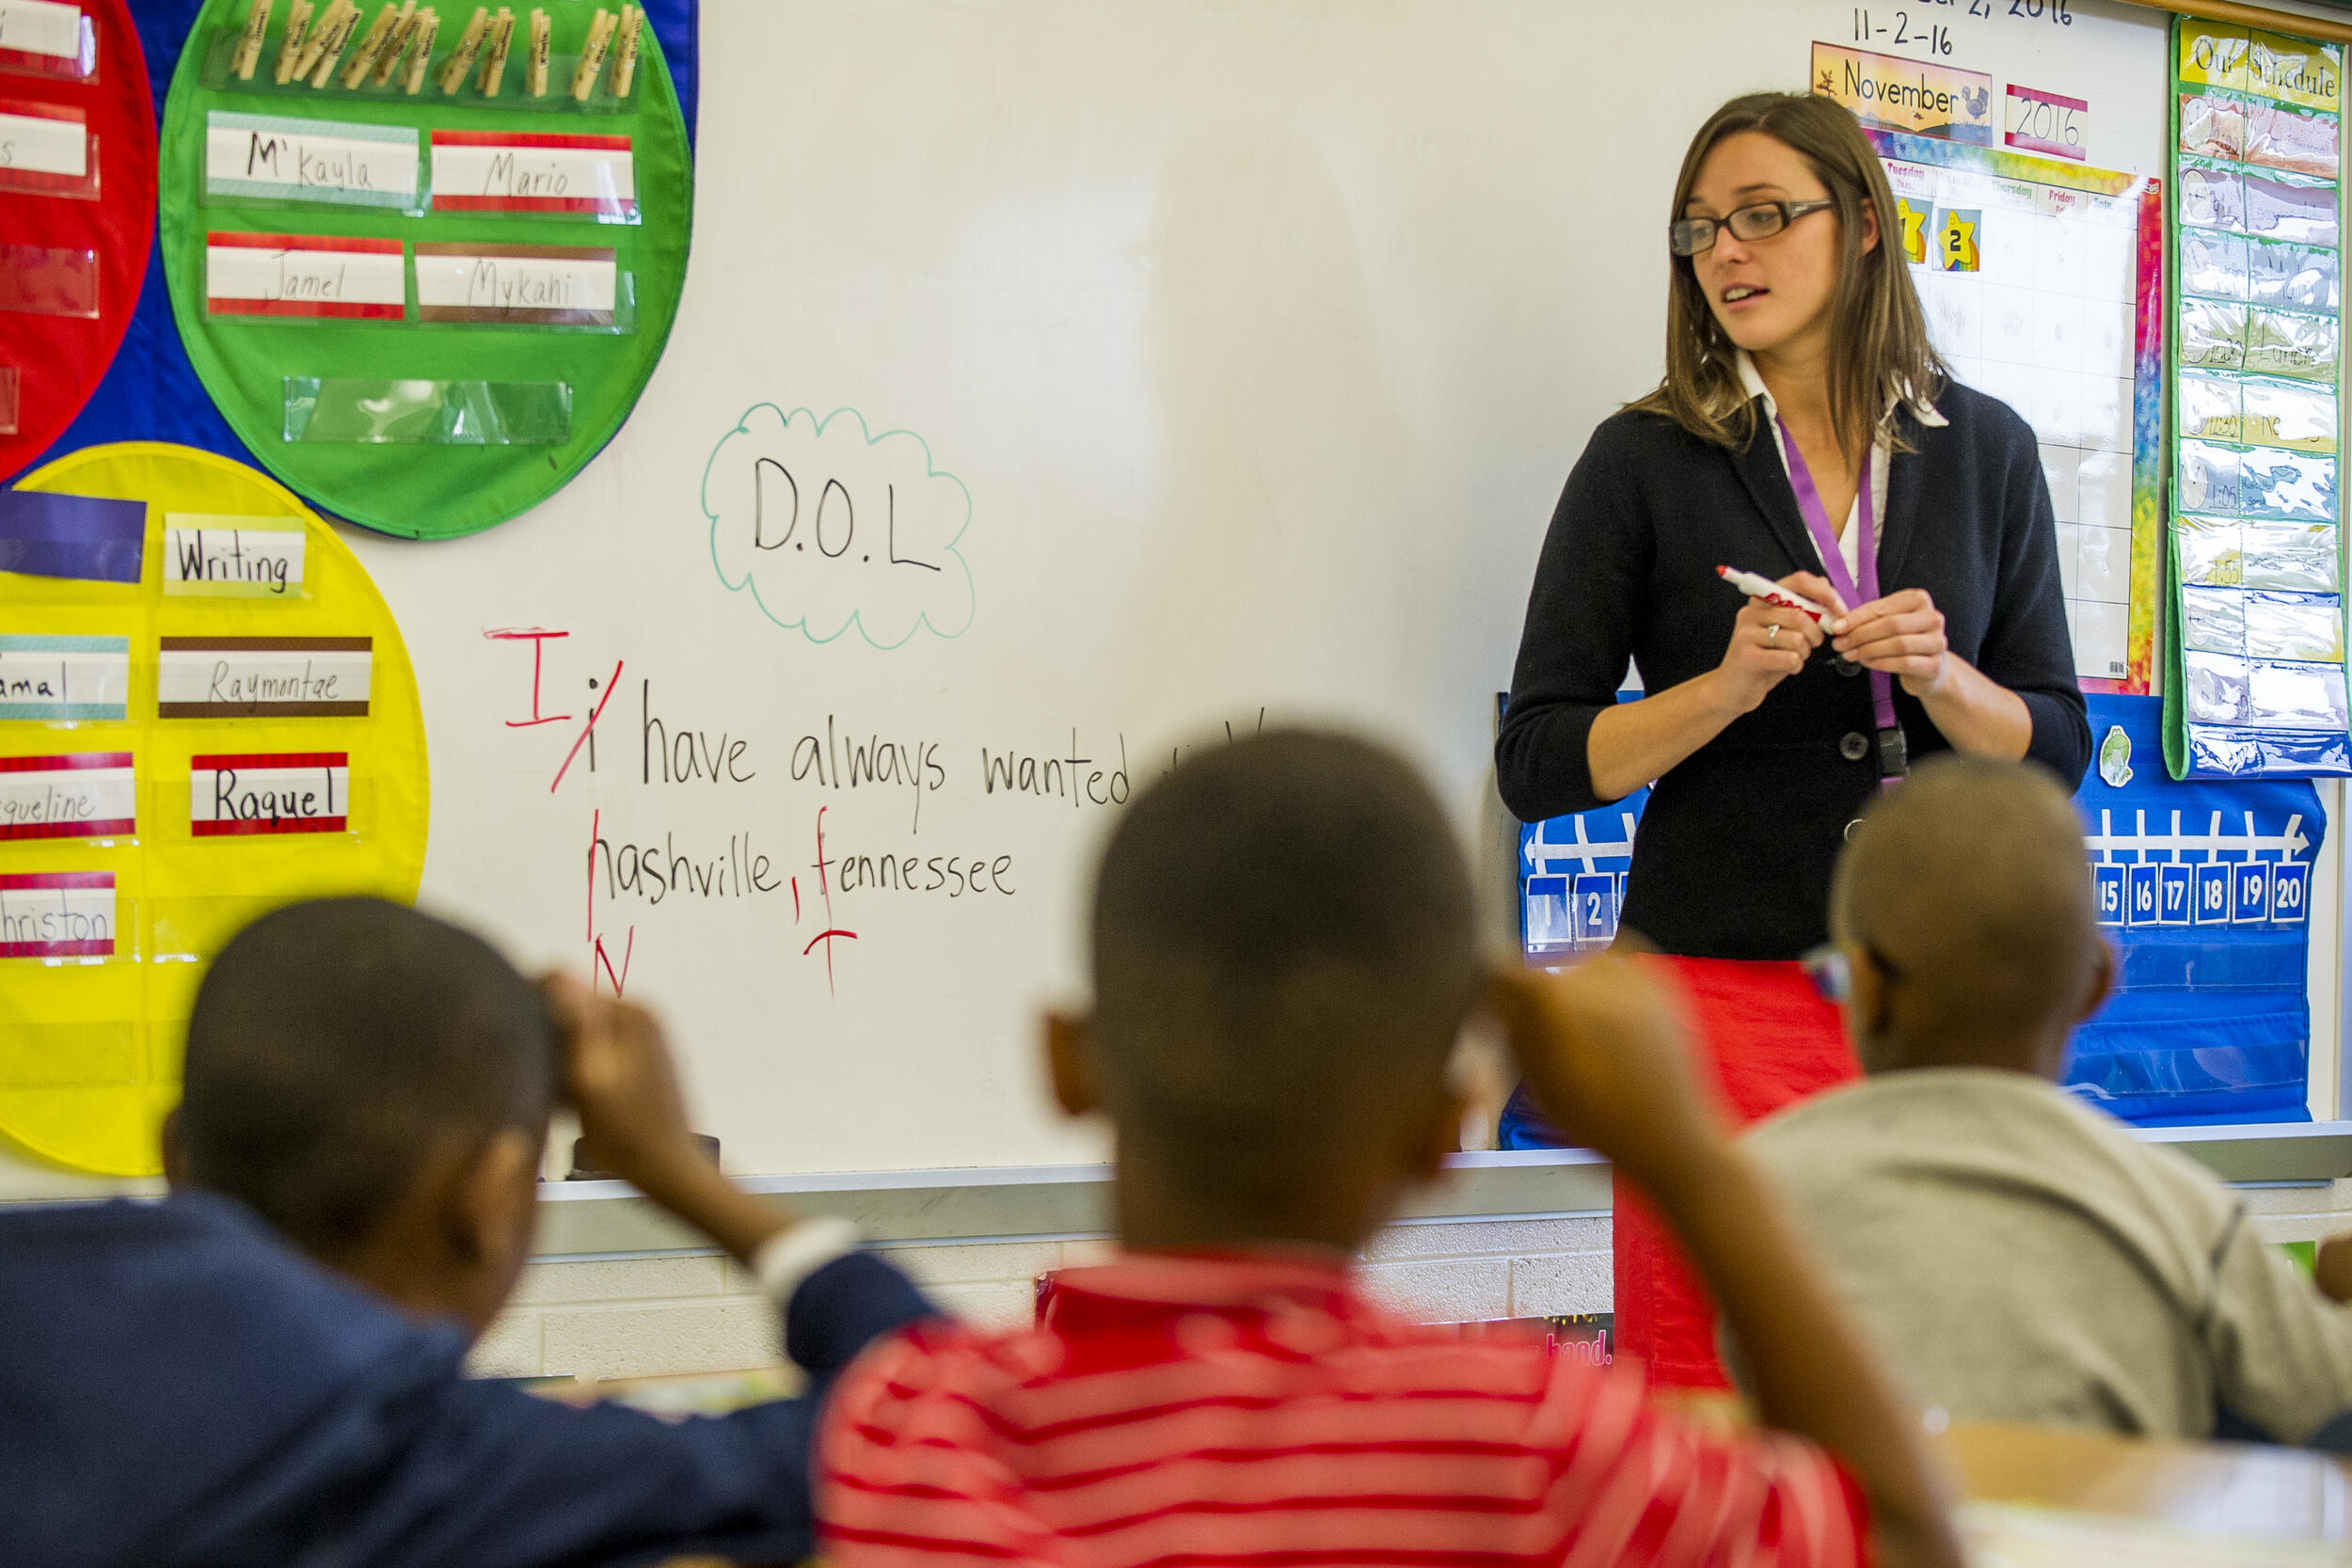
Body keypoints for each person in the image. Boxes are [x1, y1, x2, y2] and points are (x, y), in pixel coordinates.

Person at [818, 730, 1963, 1568]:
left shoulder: (909, 1430)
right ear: (1444, 1122)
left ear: (1068, 1062)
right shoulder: (1530, 1446)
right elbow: (1903, 1535)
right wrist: (1688, 1154)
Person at [1494, 90, 2091, 1387]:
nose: (1728, 253)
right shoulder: (1644, 458)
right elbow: (1537, 759)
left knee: (1924, 1390)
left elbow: (2053, 748)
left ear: (1865, 227)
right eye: (1701, 230)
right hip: (1716, 999)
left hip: (1934, 1010)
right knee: (1709, 1386)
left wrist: (1941, 676)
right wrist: (1721, 687)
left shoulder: (1983, 448)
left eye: (1764, 216)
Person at [0, 896, 932, 1568]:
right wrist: (678, 1173)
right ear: (487, 1196)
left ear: (174, 1153)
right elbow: (943, 1422)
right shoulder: (411, 1458)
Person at [1742, 757, 2352, 1443]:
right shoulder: (2182, 1214)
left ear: (1864, 986)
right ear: (2096, 985)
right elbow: (2327, 1398)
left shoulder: (1751, 1191)